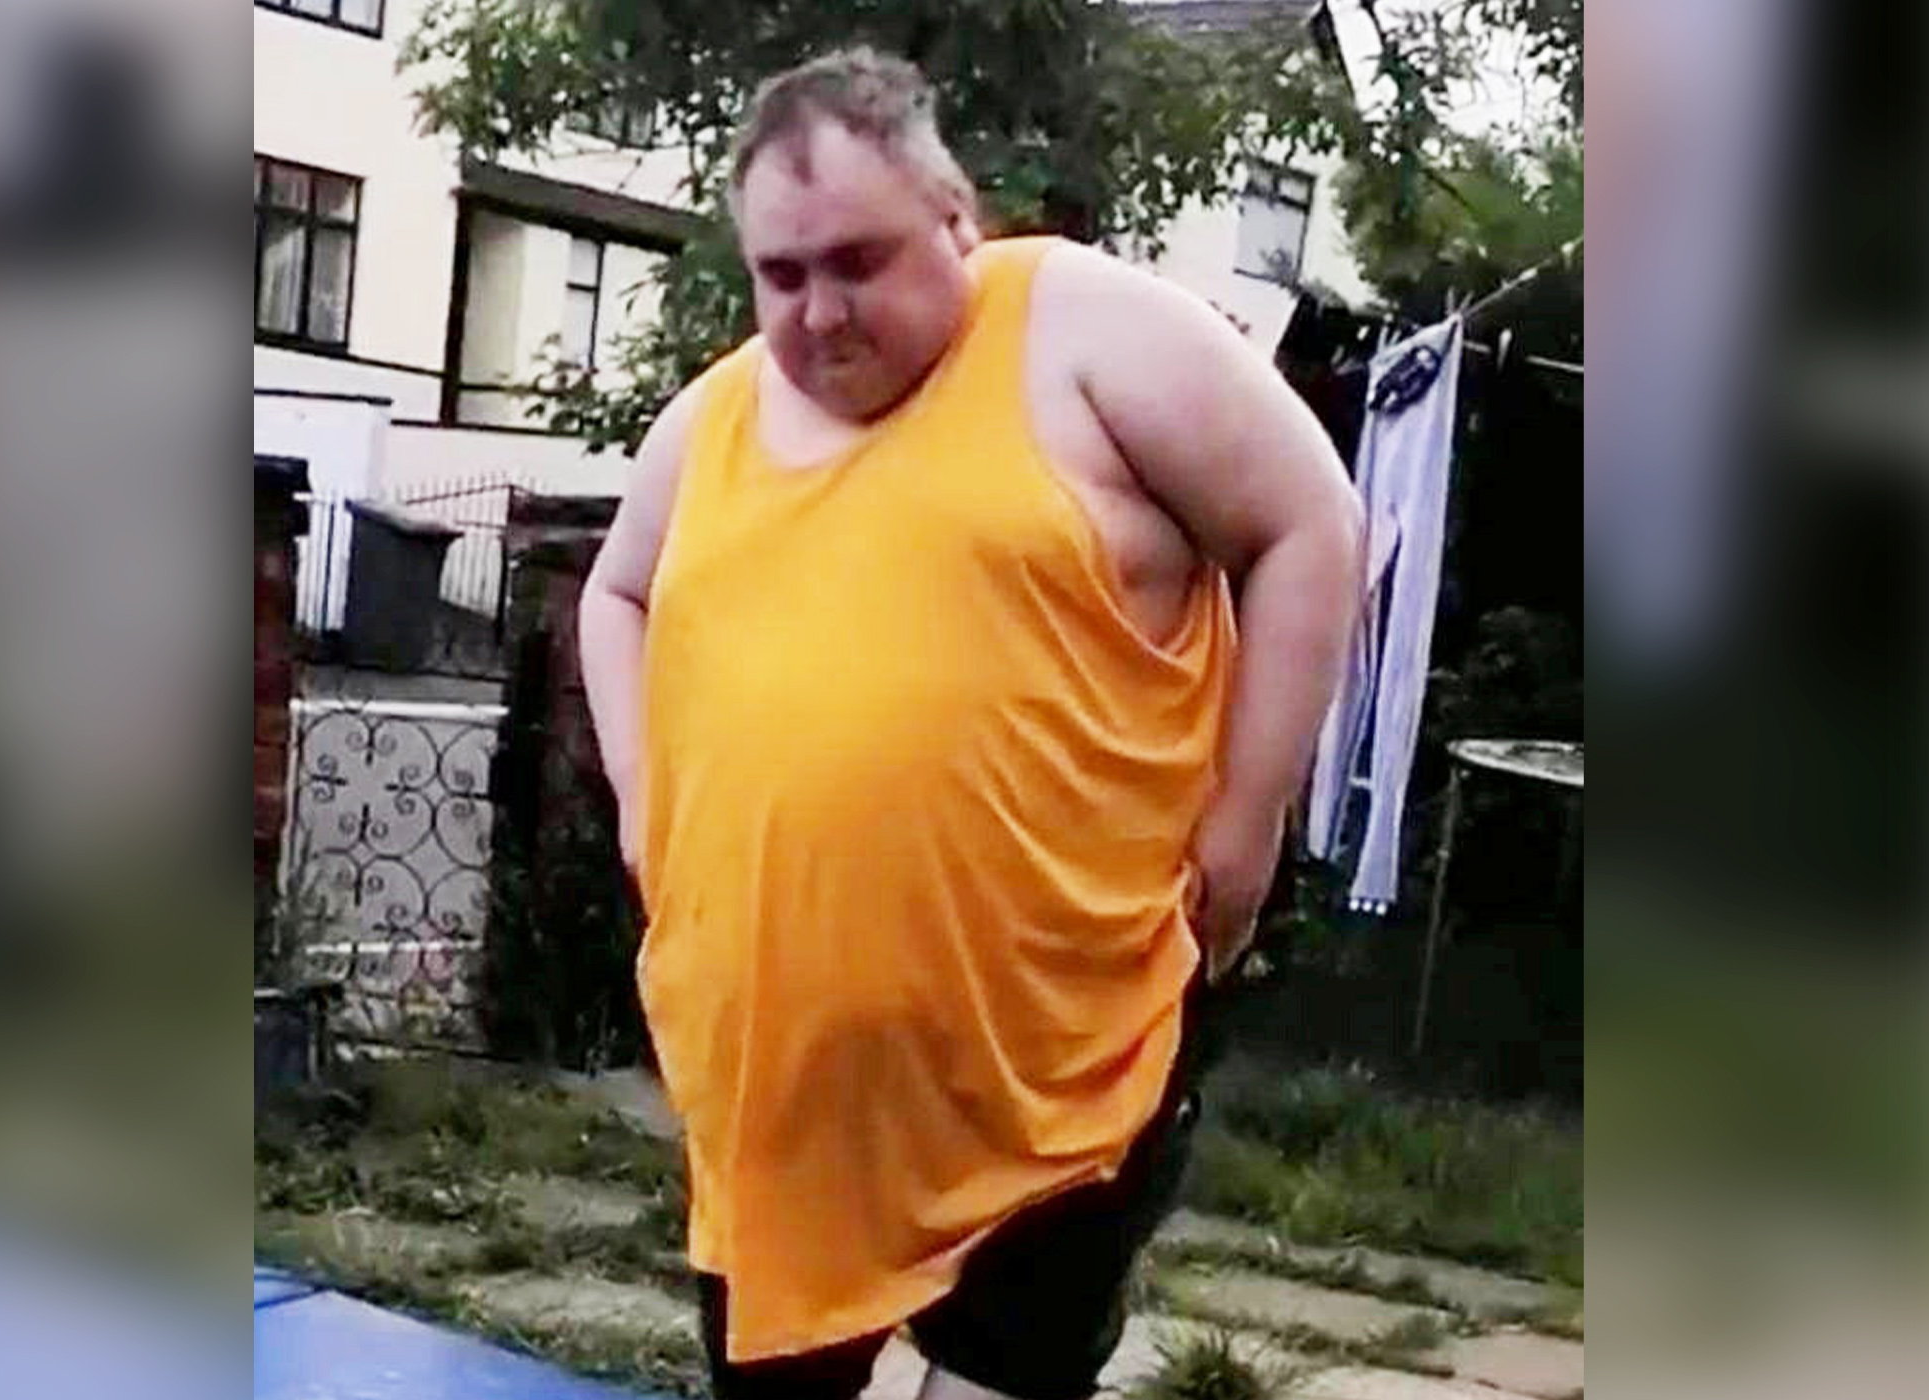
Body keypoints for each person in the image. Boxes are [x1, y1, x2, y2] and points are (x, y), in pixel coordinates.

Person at [579, 47, 1362, 1400]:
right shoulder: (713, 420)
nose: (820, 312)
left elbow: (1313, 522)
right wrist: (644, 797)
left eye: (858, 261)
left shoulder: (1084, 329)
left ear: (956, 221)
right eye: (782, 275)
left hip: (1063, 1041)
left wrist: (1246, 826)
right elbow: (616, 590)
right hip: (784, 1094)